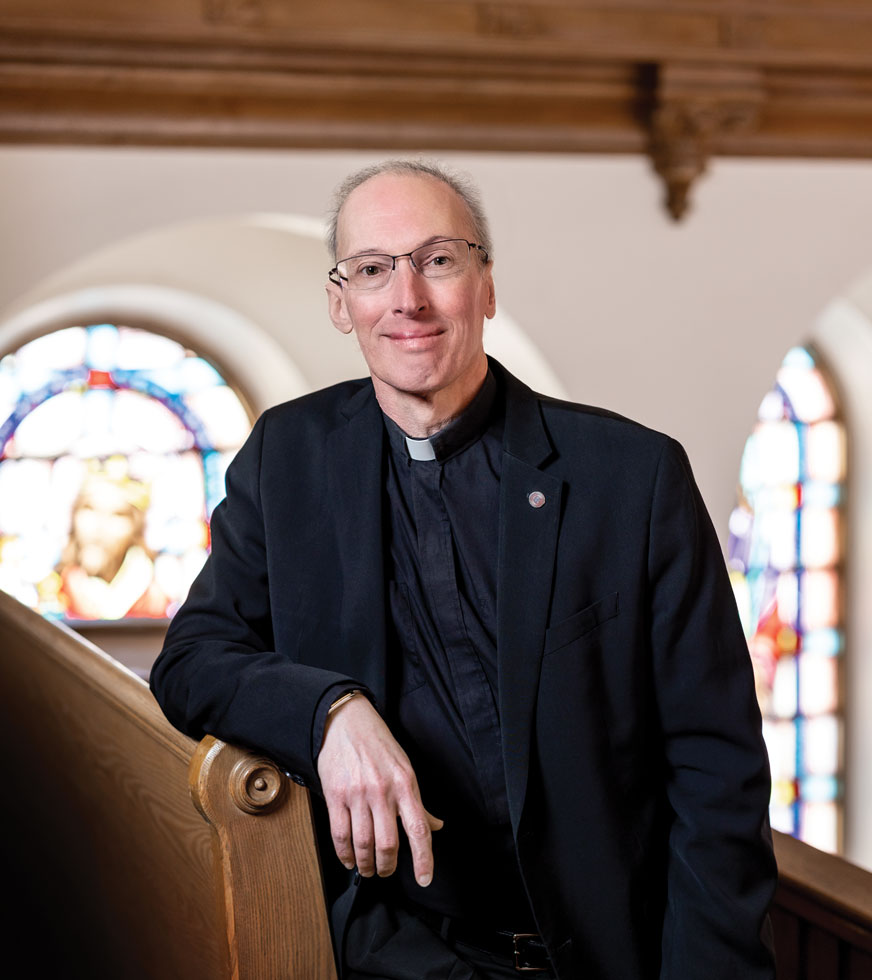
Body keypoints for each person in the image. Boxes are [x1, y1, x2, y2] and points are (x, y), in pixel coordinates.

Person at [150, 159, 776, 979]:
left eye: (438, 260)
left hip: (596, 957)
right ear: (342, 304)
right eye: (373, 271)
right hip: (388, 953)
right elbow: (192, 660)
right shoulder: (288, 457)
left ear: (485, 285)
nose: (407, 298)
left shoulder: (632, 477)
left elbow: (715, 767)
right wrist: (330, 713)